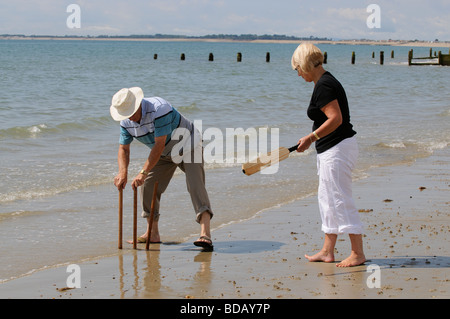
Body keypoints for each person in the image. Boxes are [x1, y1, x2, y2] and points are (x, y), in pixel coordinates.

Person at [110, 87, 214, 250]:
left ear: (138, 106)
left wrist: (143, 172)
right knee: (148, 186)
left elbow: (158, 144)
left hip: (188, 145)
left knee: (195, 185)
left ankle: (205, 233)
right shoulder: (126, 122)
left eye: (131, 112)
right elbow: (123, 149)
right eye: (125, 114)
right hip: (164, 153)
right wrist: (122, 172)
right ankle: (153, 233)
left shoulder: (159, 109)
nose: (129, 117)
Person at [291, 43, 366, 267]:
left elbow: (336, 119)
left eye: (297, 68)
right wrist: (314, 139)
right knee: (327, 199)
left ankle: (357, 252)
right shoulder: (324, 82)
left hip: (338, 149)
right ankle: (327, 251)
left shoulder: (324, 85)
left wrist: (311, 137)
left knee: (340, 198)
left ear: (304, 64)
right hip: (332, 148)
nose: (297, 73)